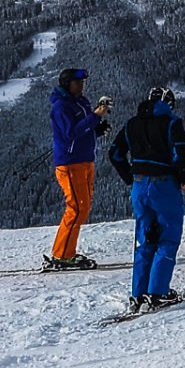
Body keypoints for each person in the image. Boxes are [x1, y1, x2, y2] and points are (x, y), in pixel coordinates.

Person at [109, 87, 185, 311]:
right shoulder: (171, 123)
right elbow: (181, 154)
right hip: (163, 185)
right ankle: (158, 293)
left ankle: (138, 294)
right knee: (168, 238)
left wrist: (129, 176)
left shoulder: (131, 124)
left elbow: (115, 153)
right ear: (168, 103)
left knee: (146, 239)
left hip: (139, 184)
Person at [49, 66, 112, 269]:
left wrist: (97, 129)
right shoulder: (61, 107)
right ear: (67, 84)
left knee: (81, 208)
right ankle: (62, 255)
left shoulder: (80, 102)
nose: (81, 85)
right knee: (77, 209)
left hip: (84, 161)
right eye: (77, 82)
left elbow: (84, 128)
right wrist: (95, 117)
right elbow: (71, 134)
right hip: (69, 163)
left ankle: (65, 252)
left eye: (82, 82)